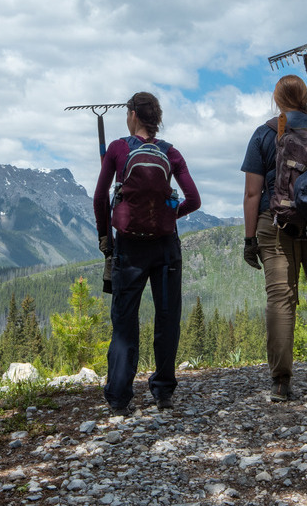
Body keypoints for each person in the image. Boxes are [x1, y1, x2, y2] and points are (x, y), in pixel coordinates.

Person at [240, 74, 307, 402]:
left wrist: (249, 240)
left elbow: (251, 192)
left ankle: (281, 383)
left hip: (275, 226)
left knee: (280, 301)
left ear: (277, 100)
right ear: (305, 97)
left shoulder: (264, 134)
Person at [93, 91, 201, 415]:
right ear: (156, 119)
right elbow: (194, 199)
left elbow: (100, 198)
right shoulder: (171, 153)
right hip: (166, 247)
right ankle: (164, 391)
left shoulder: (117, 148)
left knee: (124, 321)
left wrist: (105, 238)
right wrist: (170, 214)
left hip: (129, 246)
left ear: (132, 115)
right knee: (167, 319)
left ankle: (118, 396)